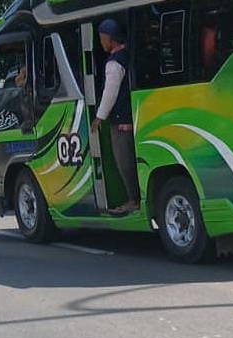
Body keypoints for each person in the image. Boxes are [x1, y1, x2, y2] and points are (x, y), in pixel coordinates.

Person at [92, 18, 140, 215]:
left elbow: (110, 93)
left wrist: (99, 117)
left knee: (125, 163)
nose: (101, 43)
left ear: (110, 39)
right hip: (130, 119)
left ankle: (133, 200)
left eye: (102, 39)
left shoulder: (113, 63)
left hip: (120, 123)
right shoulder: (127, 55)